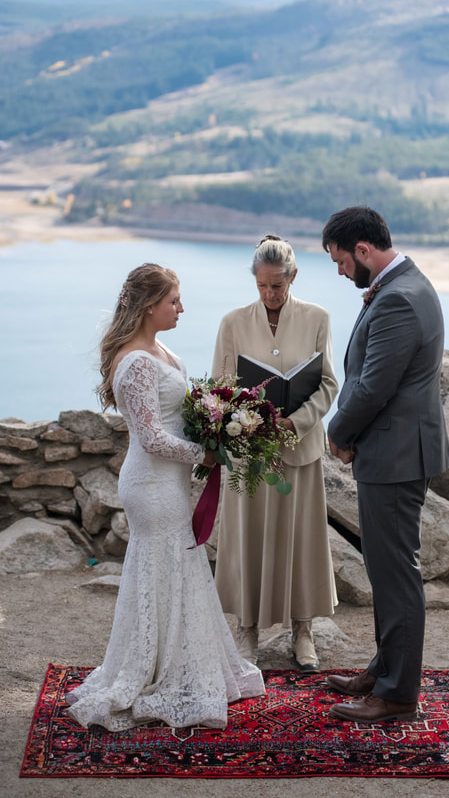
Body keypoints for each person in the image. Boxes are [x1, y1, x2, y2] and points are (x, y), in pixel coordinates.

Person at [66, 263, 264, 731]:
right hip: (151, 485)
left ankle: (175, 664)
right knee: (164, 567)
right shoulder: (135, 362)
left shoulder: (158, 349)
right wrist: (205, 452)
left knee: (179, 567)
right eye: (174, 300)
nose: (181, 308)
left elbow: (177, 415)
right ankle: (155, 672)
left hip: (169, 481)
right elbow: (152, 437)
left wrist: (218, 425)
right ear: (150, 305)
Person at [322, 207, 449, 723]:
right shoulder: (401, 284)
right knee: (386, 568)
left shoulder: (398, 297)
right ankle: (383, 668)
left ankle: (396, 695)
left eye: (339, 260)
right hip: (393, 452)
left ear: (363, 250)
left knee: (396, 574)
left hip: (395, 457)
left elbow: (375, 384)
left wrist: (338, 431)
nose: (339, 272)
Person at [211, 235, 339, 673]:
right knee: (247, 538)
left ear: (293, 278)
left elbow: (327, 384)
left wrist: (295, 422)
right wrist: (246, 421)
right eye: (263, 286)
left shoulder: (317, 318)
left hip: (300, 449)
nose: (270, 294)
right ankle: (247, 630)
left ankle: (303, 630)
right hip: (250, 452)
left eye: (277, 286)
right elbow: (219, 388)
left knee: (302, 541)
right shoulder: (232, 322)